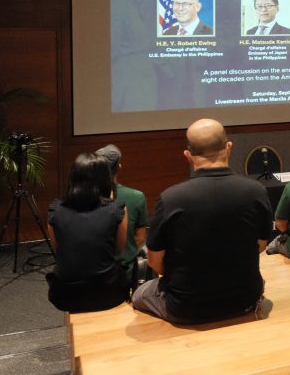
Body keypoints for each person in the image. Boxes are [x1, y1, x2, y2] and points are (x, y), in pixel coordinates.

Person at [131, 119, 272, 323]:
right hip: (245, 300)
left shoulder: (170, 198)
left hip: (186, 307)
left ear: (187, 155)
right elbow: (260, 246)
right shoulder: (257, 191)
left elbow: (154, 262)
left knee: (139, 294)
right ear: (229, 147)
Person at [46, 152, 130, 312]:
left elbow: (58, 249)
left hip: (65, 295)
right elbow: (118, 249)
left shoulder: (55, 210)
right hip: (108, 293)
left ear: (73, 179)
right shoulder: (117, 209)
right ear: (106, 180)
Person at [94, 144, 148, 280]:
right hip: (126, 273)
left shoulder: (81, 197)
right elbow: (140, 237)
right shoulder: (137, 197)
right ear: (118, 167)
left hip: (90, 272)